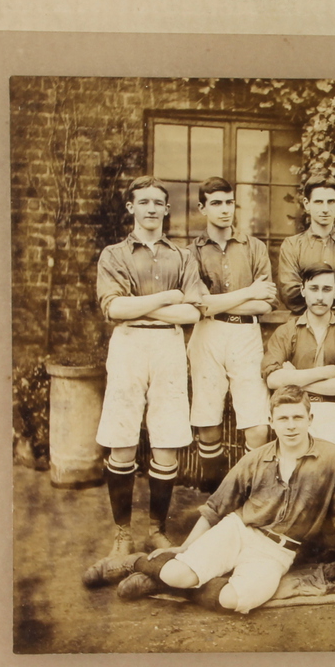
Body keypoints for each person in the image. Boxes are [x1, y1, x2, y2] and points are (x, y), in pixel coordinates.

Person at [115, 386, 335, 613]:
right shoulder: (256, 459)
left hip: (277, 551)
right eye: (283, 418)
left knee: (235, 601)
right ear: (271, 422)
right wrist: (186, 547)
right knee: (177, 574)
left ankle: (176, 587)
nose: (291, 426)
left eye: (297, 417)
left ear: (310, 419)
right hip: (238, 530)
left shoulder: (334, 458)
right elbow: (216, 507)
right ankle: (136, 563)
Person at [94, 176, 202, 557]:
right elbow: (115, 308)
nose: (152, 208)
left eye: (158, 202)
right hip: (128, 344)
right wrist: (168, 297)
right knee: (122, 441)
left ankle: (157, 529)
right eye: (144, 202)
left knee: (168, 441)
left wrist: (150, 303)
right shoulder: (114, 254)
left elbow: (192, 311)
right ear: (131, 208)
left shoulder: (182, 256)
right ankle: (121, 533)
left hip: (169, 346)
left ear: (167, 209)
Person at [187, 177, 276, 490]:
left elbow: (265, 303)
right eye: (216, 203)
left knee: (256, 424)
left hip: (246, 337)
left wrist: (220, 302)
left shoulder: (254, 246)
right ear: (202, 208)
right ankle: (214, 494)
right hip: (207, 335)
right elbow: (200, 306)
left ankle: (248, 492)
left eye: (228, 202)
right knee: (207, 418)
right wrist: (248, 292)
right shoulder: (192, 252)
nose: (224, 210)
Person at [261, 263, 335, 472]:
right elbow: (272, 379)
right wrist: (324, 372)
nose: (320, 297)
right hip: (295, 411)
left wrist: (294, 379)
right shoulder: (286, 332)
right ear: (303, 291)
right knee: (298, 467)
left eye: (327, 289)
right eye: (314, 289)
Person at [278, 174, 335, 314]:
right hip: (303, 322)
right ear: (307, 204)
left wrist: (310, 288)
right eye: (319, 202)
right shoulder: (292, 245)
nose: (326, 209)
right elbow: (291, 295)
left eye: (331, 202)